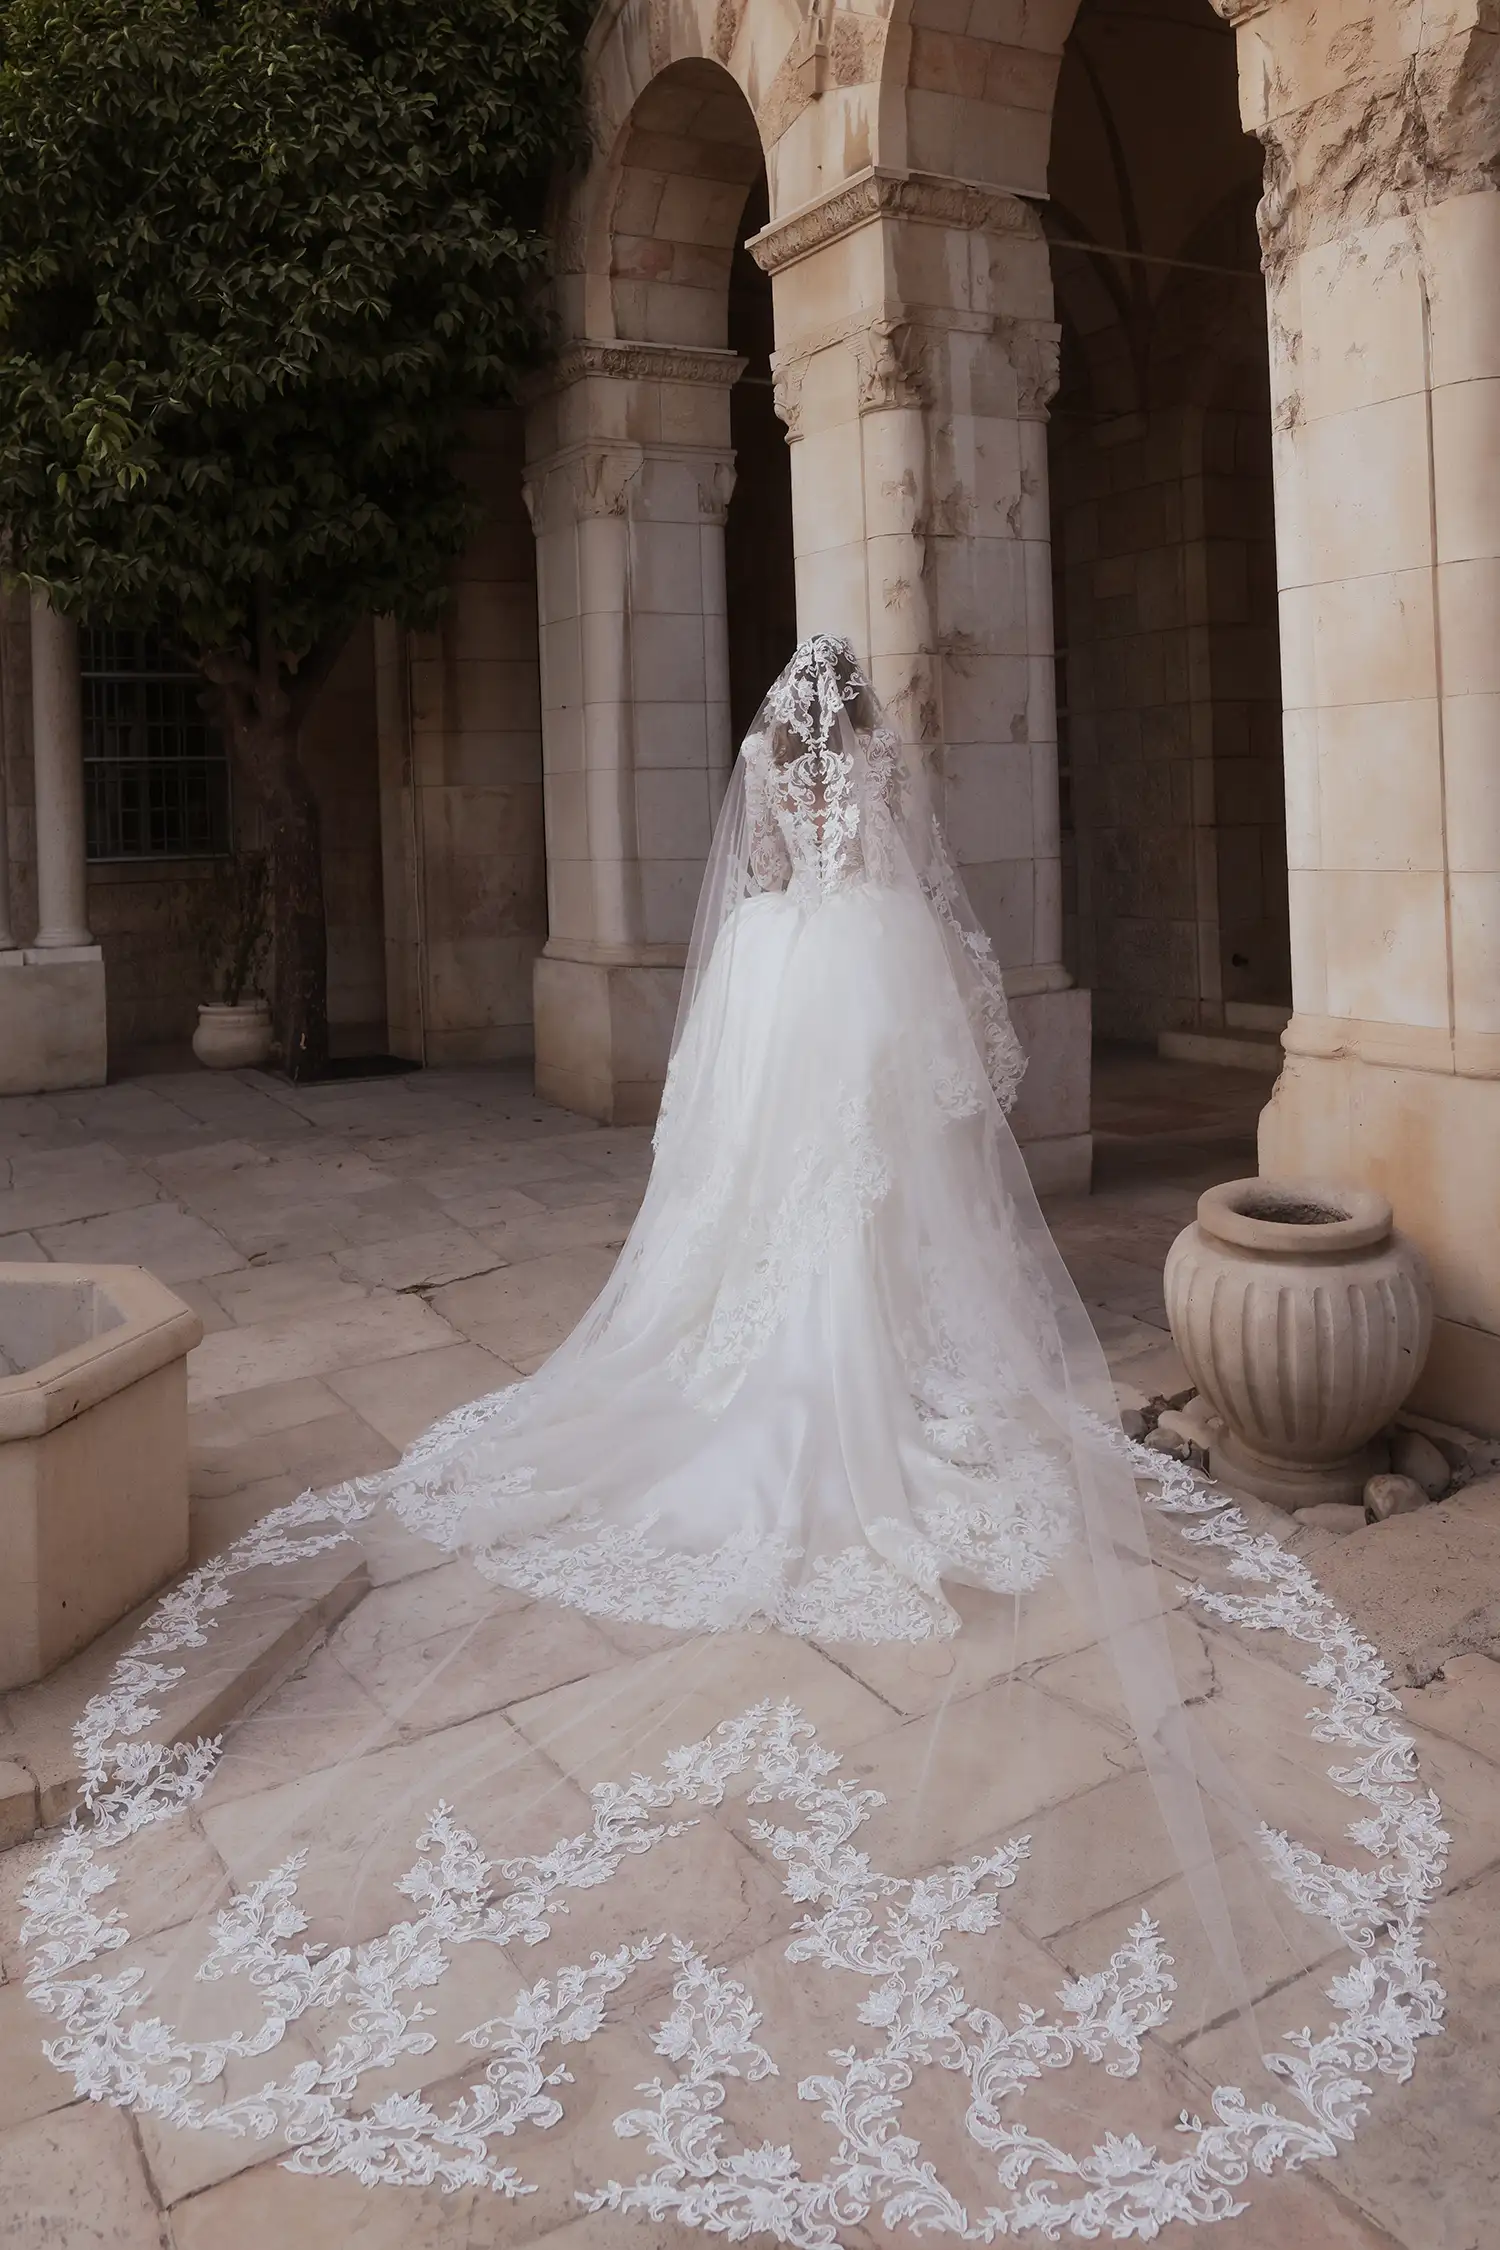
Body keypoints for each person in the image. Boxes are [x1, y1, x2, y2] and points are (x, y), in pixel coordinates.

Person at [18, 637, 1445, 2239]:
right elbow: (923, 923)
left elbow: (756, 884)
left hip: (782, 981)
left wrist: (798, 911)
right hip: (855, 974)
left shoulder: (764, 783)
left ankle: (806, 1367)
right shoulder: (876, 787)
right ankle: (871, 1371)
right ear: (861, 722)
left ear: (784, 720)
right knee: (864, 1200)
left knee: (784, 1198)